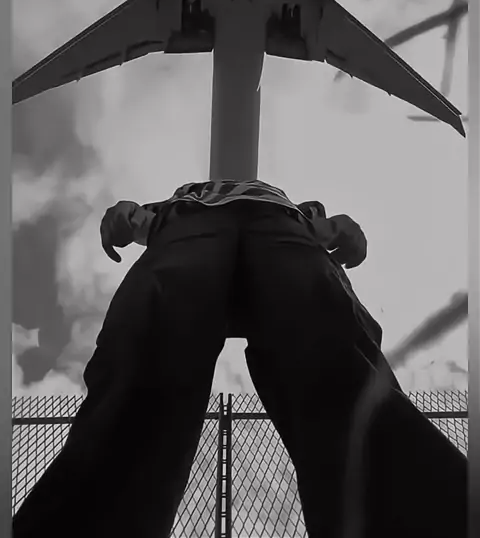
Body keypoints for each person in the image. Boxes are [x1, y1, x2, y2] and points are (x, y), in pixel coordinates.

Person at [12, 179, 467, 538]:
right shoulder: (188, 198)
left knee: (327, 352)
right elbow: (138, 216)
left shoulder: (274, 204)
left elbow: (326, 227)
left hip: (249, 225)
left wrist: (336, 226)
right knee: (153, 354)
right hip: (216, 225)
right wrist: (129, 214)